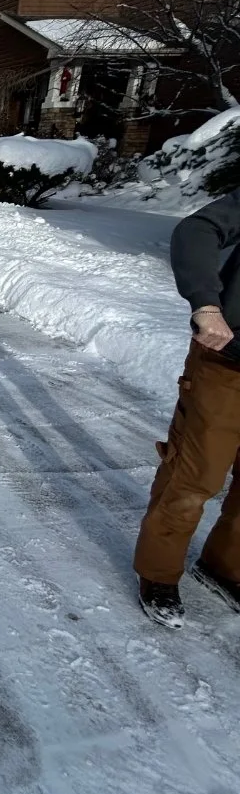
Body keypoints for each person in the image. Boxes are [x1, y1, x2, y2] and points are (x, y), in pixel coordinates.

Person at [134, 187, 240, 626]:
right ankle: (158, 572)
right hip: (228, 361)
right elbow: (197, 229)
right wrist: (207, 303)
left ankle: (223, 566)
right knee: (196, 474)